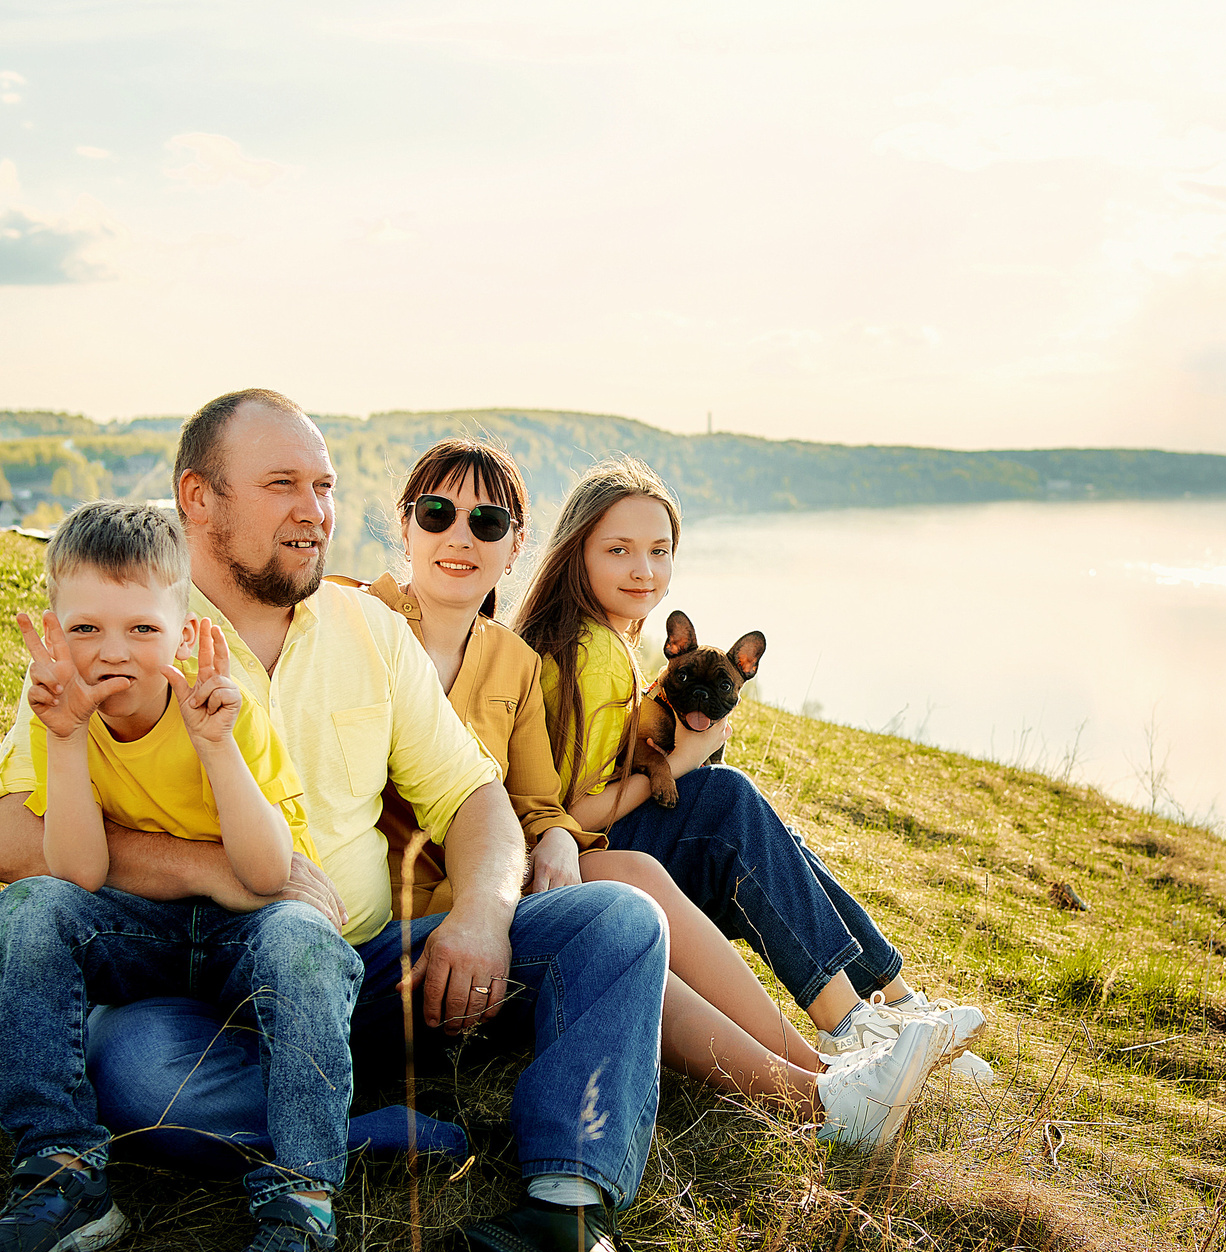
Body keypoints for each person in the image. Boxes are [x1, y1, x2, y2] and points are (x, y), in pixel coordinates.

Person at [0, 390, 674, 1252]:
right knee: (128, 1064)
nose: (314, 510)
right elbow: (9, 838)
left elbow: (475, 798)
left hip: (361, 973)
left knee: (620, 919)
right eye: (281, 485)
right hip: (183, 995)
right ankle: (345, 1129)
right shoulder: (123, 623)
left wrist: (479, 911)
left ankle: (565, 1213)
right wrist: (204, 868)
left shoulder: (366, 629)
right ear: (200, 499)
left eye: (325, 486)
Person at [360, 437, 950, 1145]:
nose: (461, 535)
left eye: (486, 523)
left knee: (667, 853)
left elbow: (541, 799)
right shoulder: (362, 622)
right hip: (417, 914)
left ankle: (836, 1067)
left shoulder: (508, 659)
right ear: (404, 523)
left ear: (516, 544)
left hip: (494, 887)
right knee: (663, 863)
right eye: (436, 514)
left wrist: (551, 836)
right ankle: (830, 1077)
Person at [0, 501, 361, 1252]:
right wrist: (69, 740)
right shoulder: (60, 713)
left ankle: (301, 1204)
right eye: (86, 631)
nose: (112, 652)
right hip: (137, 929)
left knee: (302, 942)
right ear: (53, 629)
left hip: (243, 929)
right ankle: (62, 1170)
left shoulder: (221, 703)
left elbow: (261, 871)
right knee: (29, 909)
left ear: (181, 634)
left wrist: (215, 745)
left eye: (141, 630)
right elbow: (73, 871)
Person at [517, 457, 995, 1090]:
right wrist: (684, 761)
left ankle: (898, 1007)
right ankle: (856, 1021)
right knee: (727, 801)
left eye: (660, 551)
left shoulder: (590, 638)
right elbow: (566, 815)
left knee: (765, 831)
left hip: (596, 852)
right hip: (578, 863)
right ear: (577, 552)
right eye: (619, 549)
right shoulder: (594, 653)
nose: (644, 569)